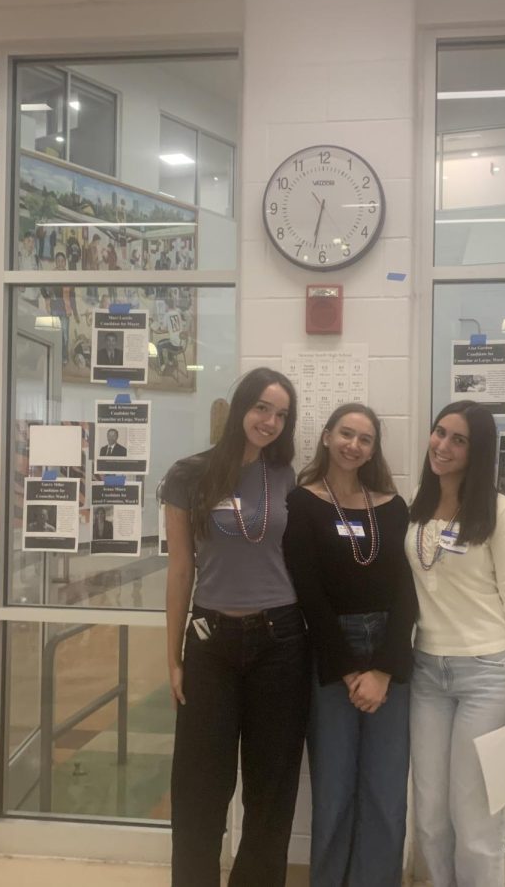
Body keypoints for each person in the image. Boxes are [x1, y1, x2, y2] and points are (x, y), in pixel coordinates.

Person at [162, 368, 308, 887]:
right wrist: (175, 655)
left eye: (281, 414)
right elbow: (180, 569)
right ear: (240, 407)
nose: (270, 421)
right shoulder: (189, 475)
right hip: (210, 642)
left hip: (282, 641)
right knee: (200, 785)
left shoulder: (290, 478)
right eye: (262, 408)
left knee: (271, 788)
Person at [405, 400, 505, 887]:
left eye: (458, 439)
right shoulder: (417, 507)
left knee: (477, 823)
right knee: (428, 815)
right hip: (427, 674)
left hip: (486, 676)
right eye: (439, 432)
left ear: (477, 451)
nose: (442, 446)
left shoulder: (501, 514)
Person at [281, 403, 416, 887]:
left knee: (384, 791)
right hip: (330, 651)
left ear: (374, 449)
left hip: (389, 655)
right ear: (326, 437)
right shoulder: (302, 503)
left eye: (365, 439)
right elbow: (308, 593)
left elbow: (408, 592)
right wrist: (345, 669)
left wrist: (383, 669)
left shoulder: (394, 506)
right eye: (346, 433)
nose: (353, 445)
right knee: (334, 789)